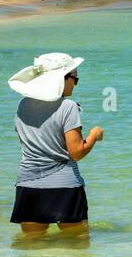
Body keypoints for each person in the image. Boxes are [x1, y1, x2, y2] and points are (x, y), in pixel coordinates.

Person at [7, 52, 104, 235]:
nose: (76, 83)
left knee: (31, 249)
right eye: (75, 78)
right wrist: (93, 136)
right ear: (63, 79)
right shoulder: (68, 107)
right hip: (64, 187)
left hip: (28, 185)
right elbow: (76, 152)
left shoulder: (23, 104)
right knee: (76, 250)